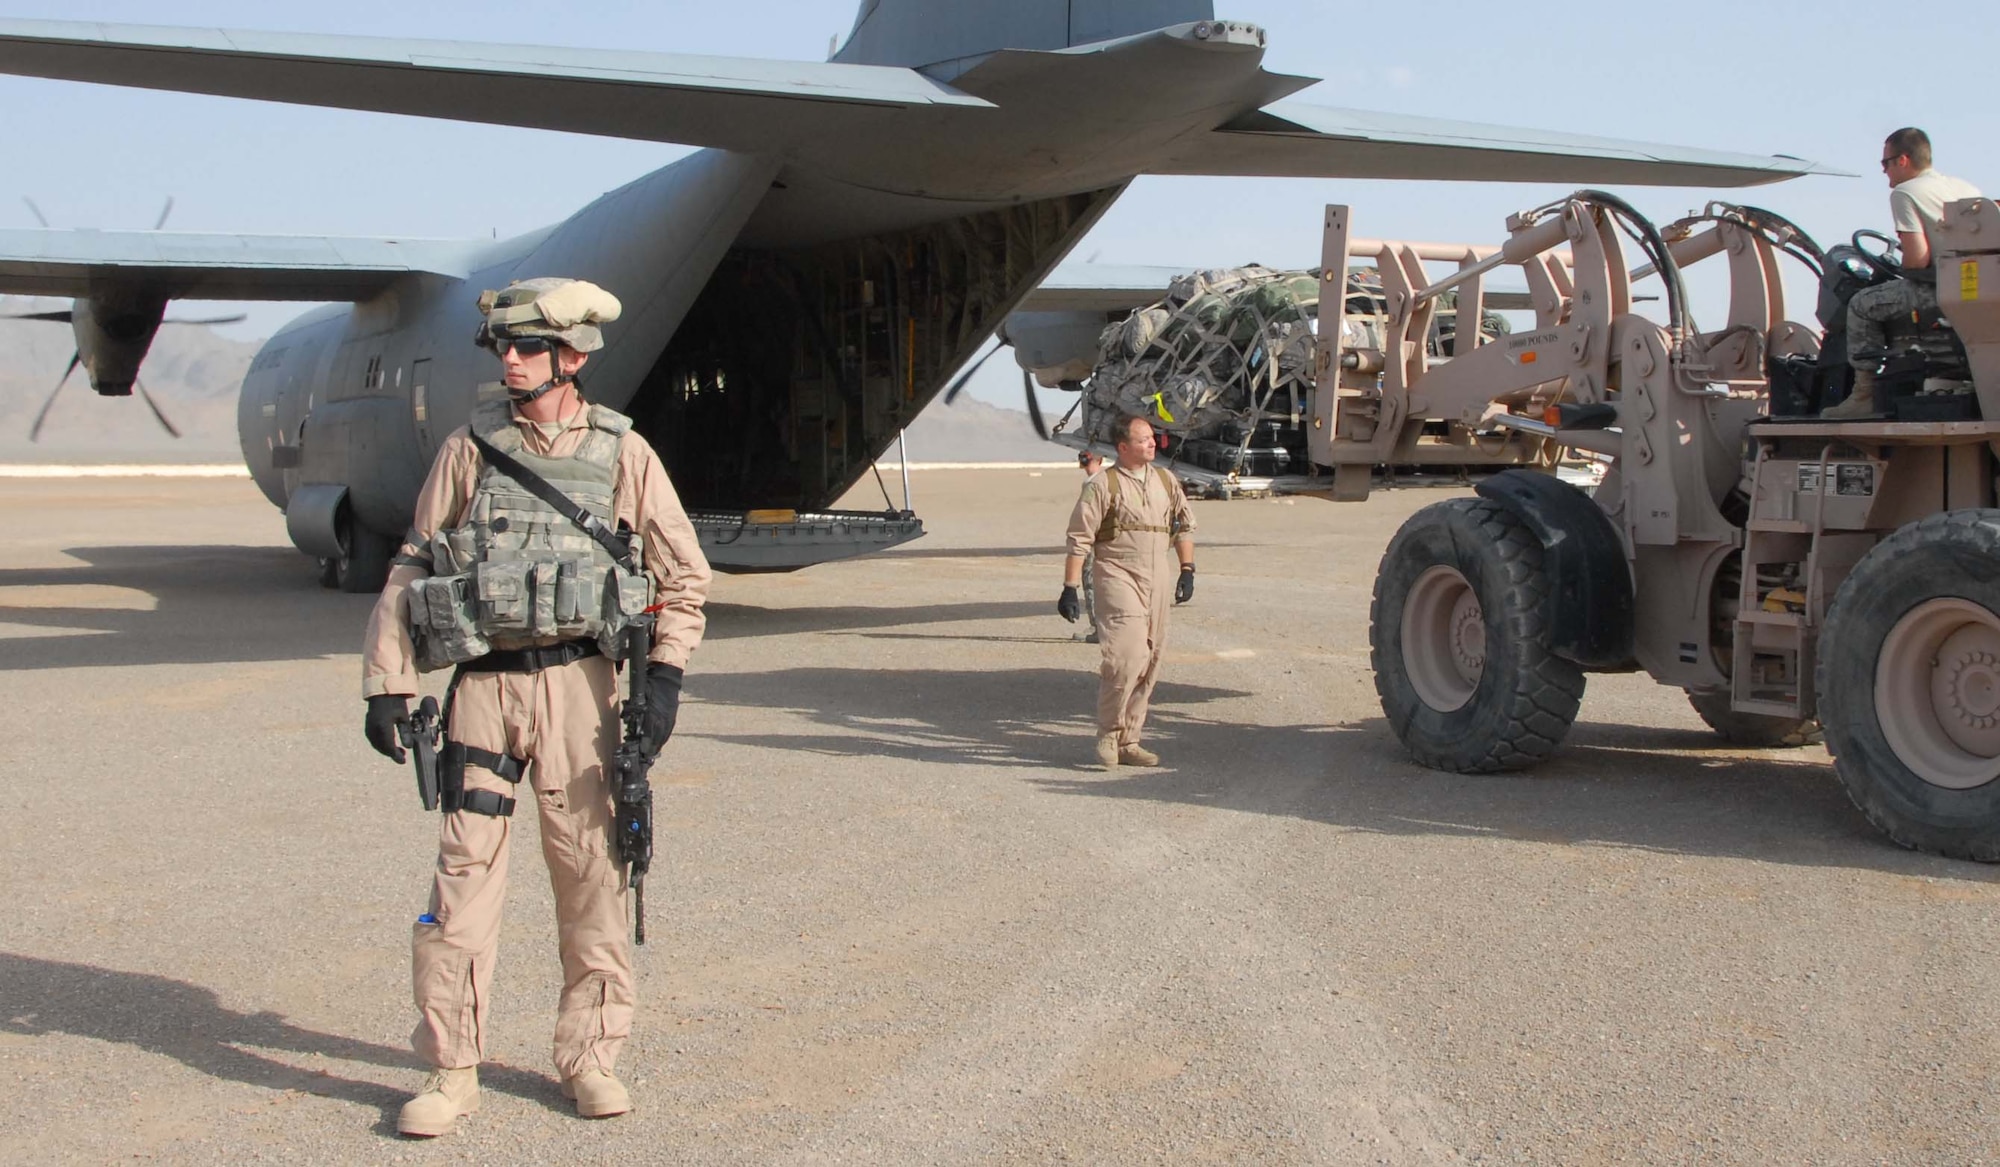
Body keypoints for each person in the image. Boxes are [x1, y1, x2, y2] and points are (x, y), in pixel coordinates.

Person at [359, 278, 712, 1137]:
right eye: (503, 349)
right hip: (482, 687)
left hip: (580, 691)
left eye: (526, 348)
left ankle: (591, 1055)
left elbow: (684, 577)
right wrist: (388, 681)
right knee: (461, 881)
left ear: (574, 357)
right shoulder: (469, 449)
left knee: (593, 875)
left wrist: (662, 679)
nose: (509, 362)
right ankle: (451, 1068)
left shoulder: (625, 455)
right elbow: (413, 565)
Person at [1058, 415, 1196, 769]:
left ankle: (1130, 740)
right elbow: (1080, 538)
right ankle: (1108, 730)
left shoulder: (1166, 481)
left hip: (1158, 577)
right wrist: (1070, 588)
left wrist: (1187, 570)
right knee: (1126, 655)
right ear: (1123, 447)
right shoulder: (1104, 484)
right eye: (1144, 439)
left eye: (1152, 438)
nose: (1153, 444)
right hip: (1117, 573)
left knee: (1151, 660)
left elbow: (1183, 525)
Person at [1824, 127, 1984, 419]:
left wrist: (1899, 268)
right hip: (1976, 288)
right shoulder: (1966, 188)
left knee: (1862, 304)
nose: (1884, 171)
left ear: (1903, 160)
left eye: (1885, 163)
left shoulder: (1905, 193)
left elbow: (1918, 258)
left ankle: (1864, 396)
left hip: (1936, 289)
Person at [1075, 449, 1104, 644]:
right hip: (1103, 540)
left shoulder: (1095, 483)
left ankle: (1098, 628)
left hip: (1094, 541)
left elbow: (1087, 517)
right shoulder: (1105, 479)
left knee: (1092, 582)